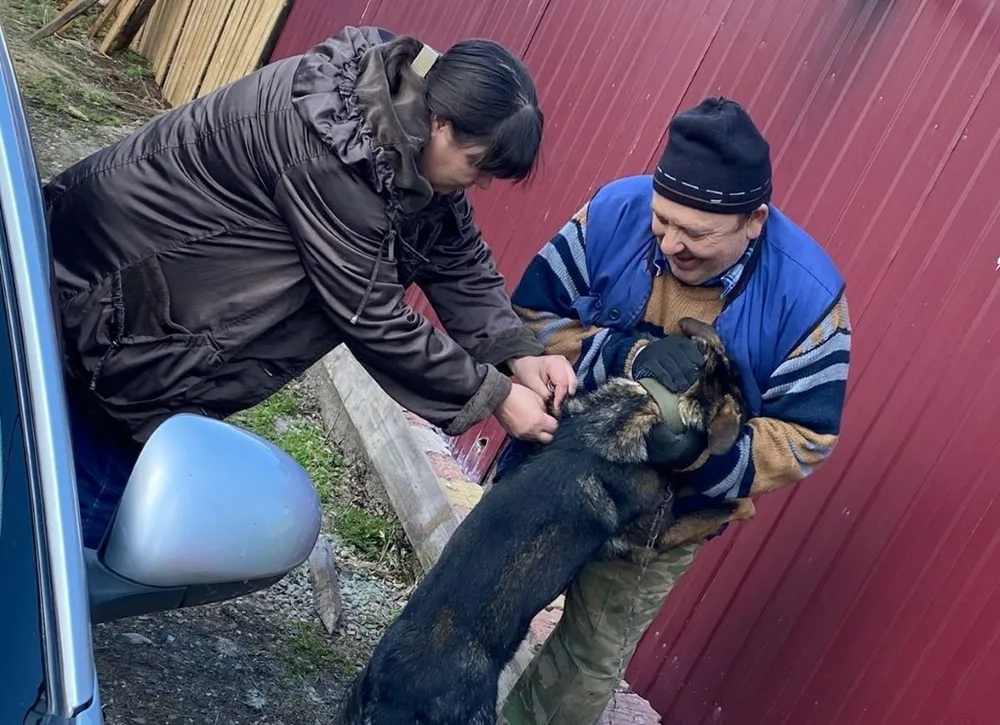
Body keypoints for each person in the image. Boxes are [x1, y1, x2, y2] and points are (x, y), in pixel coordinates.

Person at [43, 25, 576, 549]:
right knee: (68, 525)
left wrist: (519, 353)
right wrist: (495, 396)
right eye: (478, 165)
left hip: (141, 310)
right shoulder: (335, 150)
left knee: (73, 493)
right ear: (441, 121)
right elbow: (370, 312)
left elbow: (454, 251)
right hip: (111, 314)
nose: (482, 184)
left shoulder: (391, 121)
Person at [494, 97, 852, 724]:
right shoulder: (615, 212)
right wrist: (621, 353)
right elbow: (527, 321)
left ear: (754, 220)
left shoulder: (809, 297)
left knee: (586, 663)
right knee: (479, 608)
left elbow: (808, 436)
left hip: (665, 523)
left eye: (697, 233)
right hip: (548, 469)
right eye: (662, 221)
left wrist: (703, 454)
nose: (671, 243)